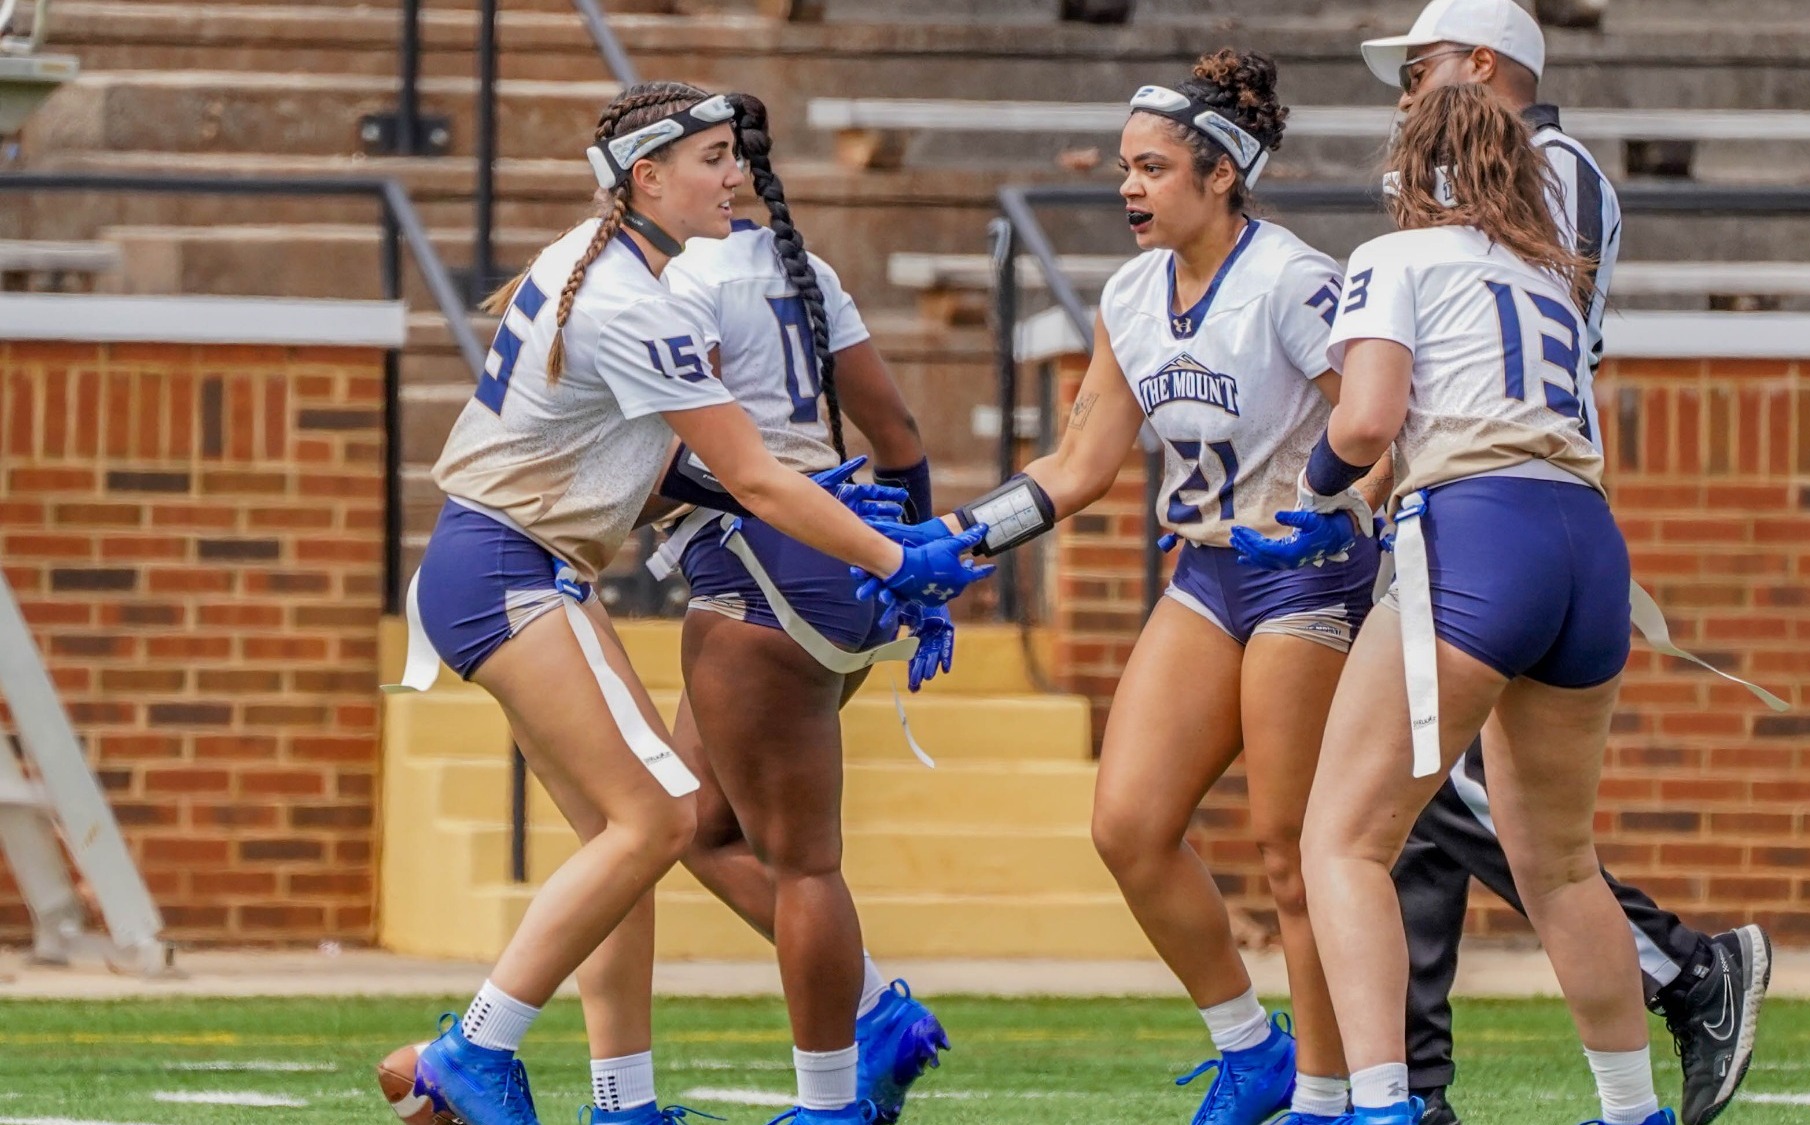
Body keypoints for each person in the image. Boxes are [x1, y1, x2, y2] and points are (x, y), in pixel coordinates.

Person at [380, 81, 990, 1125]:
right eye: (709, 157)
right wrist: (895, 558)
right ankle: (473, 1048)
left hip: (514, 564)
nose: (734, 172)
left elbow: (691, 469)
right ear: (644, 178)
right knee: (659, 818)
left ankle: (621, 1102)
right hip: (511, 567)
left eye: (731, 154)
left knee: (623, 844)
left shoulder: (607, 256)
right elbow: (752, 476)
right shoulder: (635, 299)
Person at [875, 49, 1385, 1125]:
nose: (1128, 187)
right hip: (1206, 573)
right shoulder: (1127, 292)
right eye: (1124, 166)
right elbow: (1079, 465)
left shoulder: (1291, 279)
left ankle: (1331, 1101)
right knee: (1128, 824)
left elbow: (1379, 425)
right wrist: (958, 537)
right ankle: (1252, 1051)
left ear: (1219, 175)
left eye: (1152, 167)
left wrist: (1336, 509)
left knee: (1294, 858)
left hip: (1305, 575)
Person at [1357, 4, 1769, 1122]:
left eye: (1420, 67)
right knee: (1447, 814)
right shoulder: (1470, 207)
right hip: (1528, 507)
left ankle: (1674, 972)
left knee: (1376, 817)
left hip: (1493, 501)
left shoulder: (1543, 169)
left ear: (1481, 67)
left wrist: (1335, 486)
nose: (1404, 95)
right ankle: (1447, 1079)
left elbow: (1510, 332)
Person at [1269, 79, 1669, 1125]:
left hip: (1476, 544)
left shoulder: (1394, 257)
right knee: (1560, 863)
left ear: (1415, 166)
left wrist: (1317, 492)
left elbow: (1365, 421)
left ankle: (1378, 1104)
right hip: (1583, 547)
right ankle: (1632, 1112)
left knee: (1341, 843)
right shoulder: (1545, 270)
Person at [657, 88, 951, 1125]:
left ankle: (831, 1100)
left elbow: (670, 462)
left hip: (757, 577)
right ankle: (875, 1009)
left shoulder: (672, 281)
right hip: (840, 573)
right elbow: (899, 430)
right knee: (688, 824)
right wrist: (901, 559)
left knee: (802, 865)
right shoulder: (802, 267)